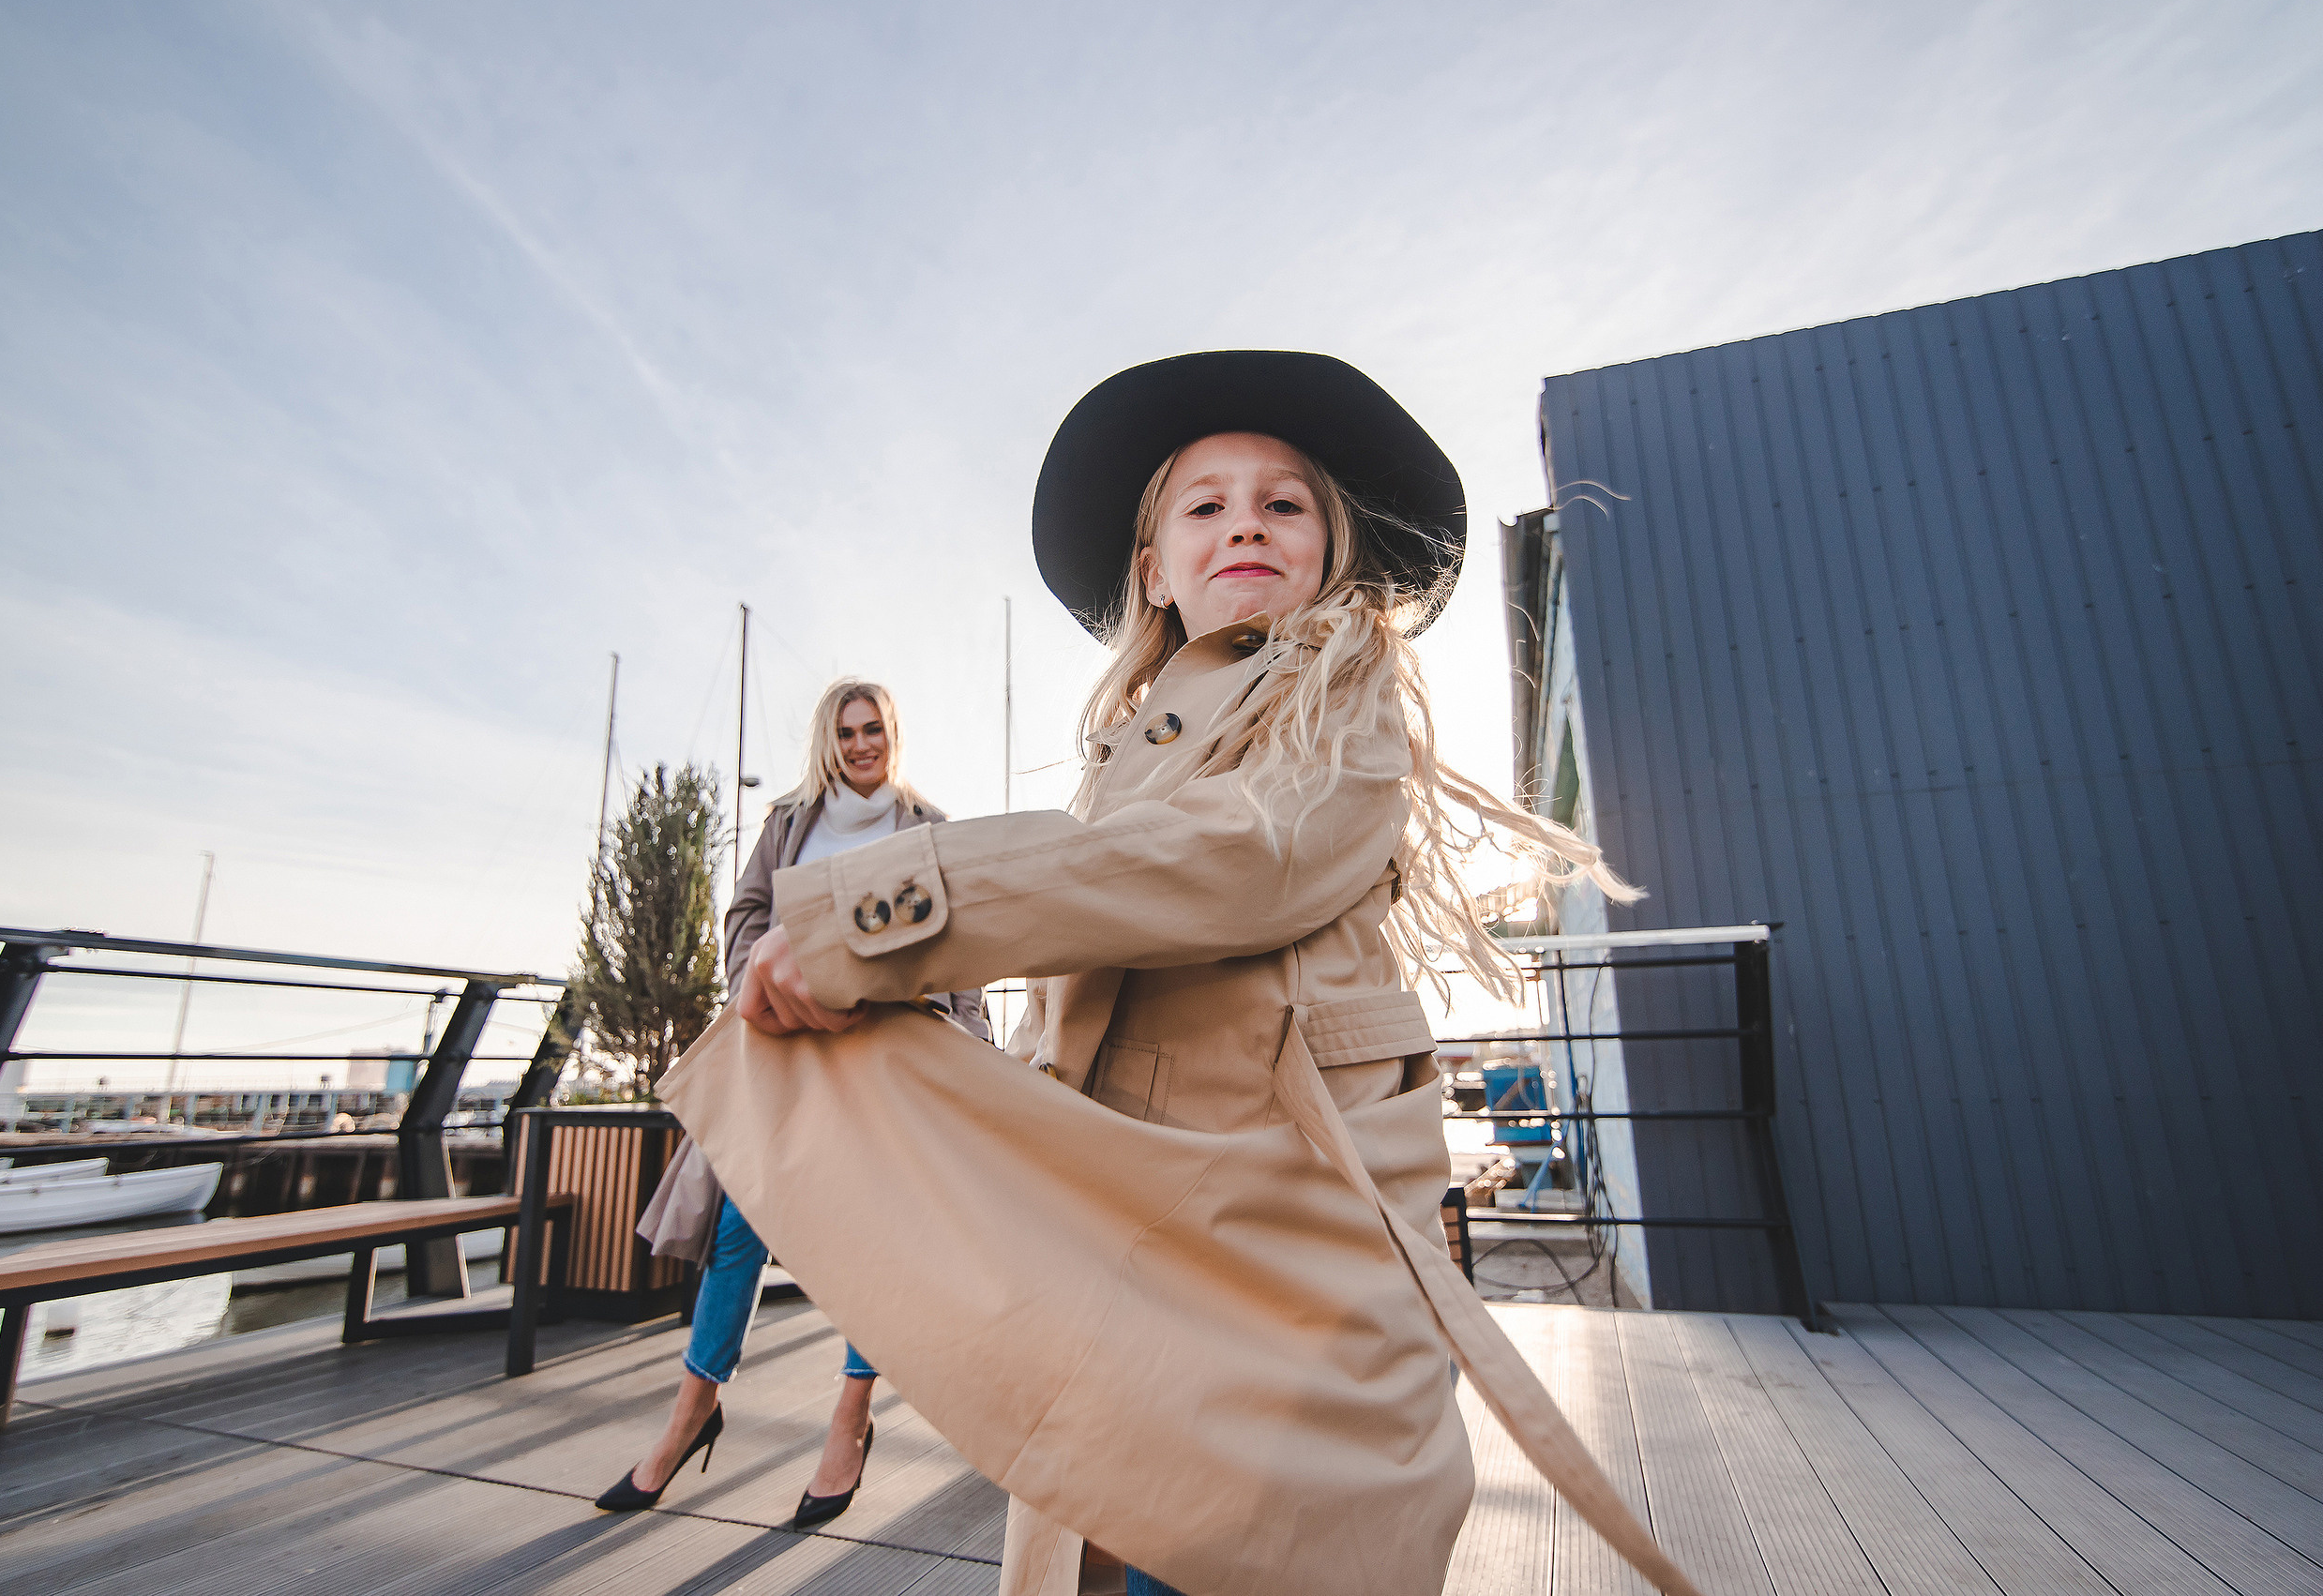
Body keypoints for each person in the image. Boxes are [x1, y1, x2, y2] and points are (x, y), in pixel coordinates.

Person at [662, 353, 1705, 1595]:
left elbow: (1232, 858)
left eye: (1283, 502)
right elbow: (1087, 942)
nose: (1245, 523)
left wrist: (873, 921)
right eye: (1205, 505)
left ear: (1332, 550)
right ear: (1153, 568)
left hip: (1276, 1254)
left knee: (1247, 1546)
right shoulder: (1127, 756)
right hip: (1130, 1236)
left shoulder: (1344, 698)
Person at [598, 677, 988, 1526]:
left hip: (886, 1059)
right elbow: (744, 914)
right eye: (847, 731)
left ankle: (851, 1420)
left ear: (892, 734)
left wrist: (969, 1051)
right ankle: (692, 1410)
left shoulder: (928, 827)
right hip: (785, 1050)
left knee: (874, 1239)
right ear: (828, 740)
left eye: (874, 727)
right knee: (739, 1224)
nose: (862, 743)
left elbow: (961, 953)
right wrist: (757, 980)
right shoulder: (787, 822)